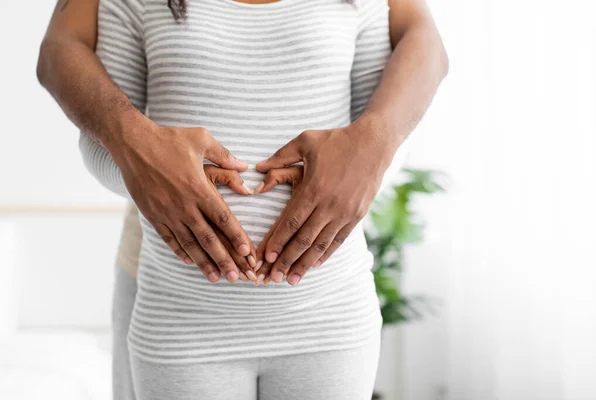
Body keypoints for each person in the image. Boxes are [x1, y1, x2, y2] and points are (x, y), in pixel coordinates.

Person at [37, 0, 447, 399]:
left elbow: (378, 141)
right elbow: (90, 113)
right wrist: (148, 175)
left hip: (328, 318)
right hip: (181, 320)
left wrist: (365, 168)